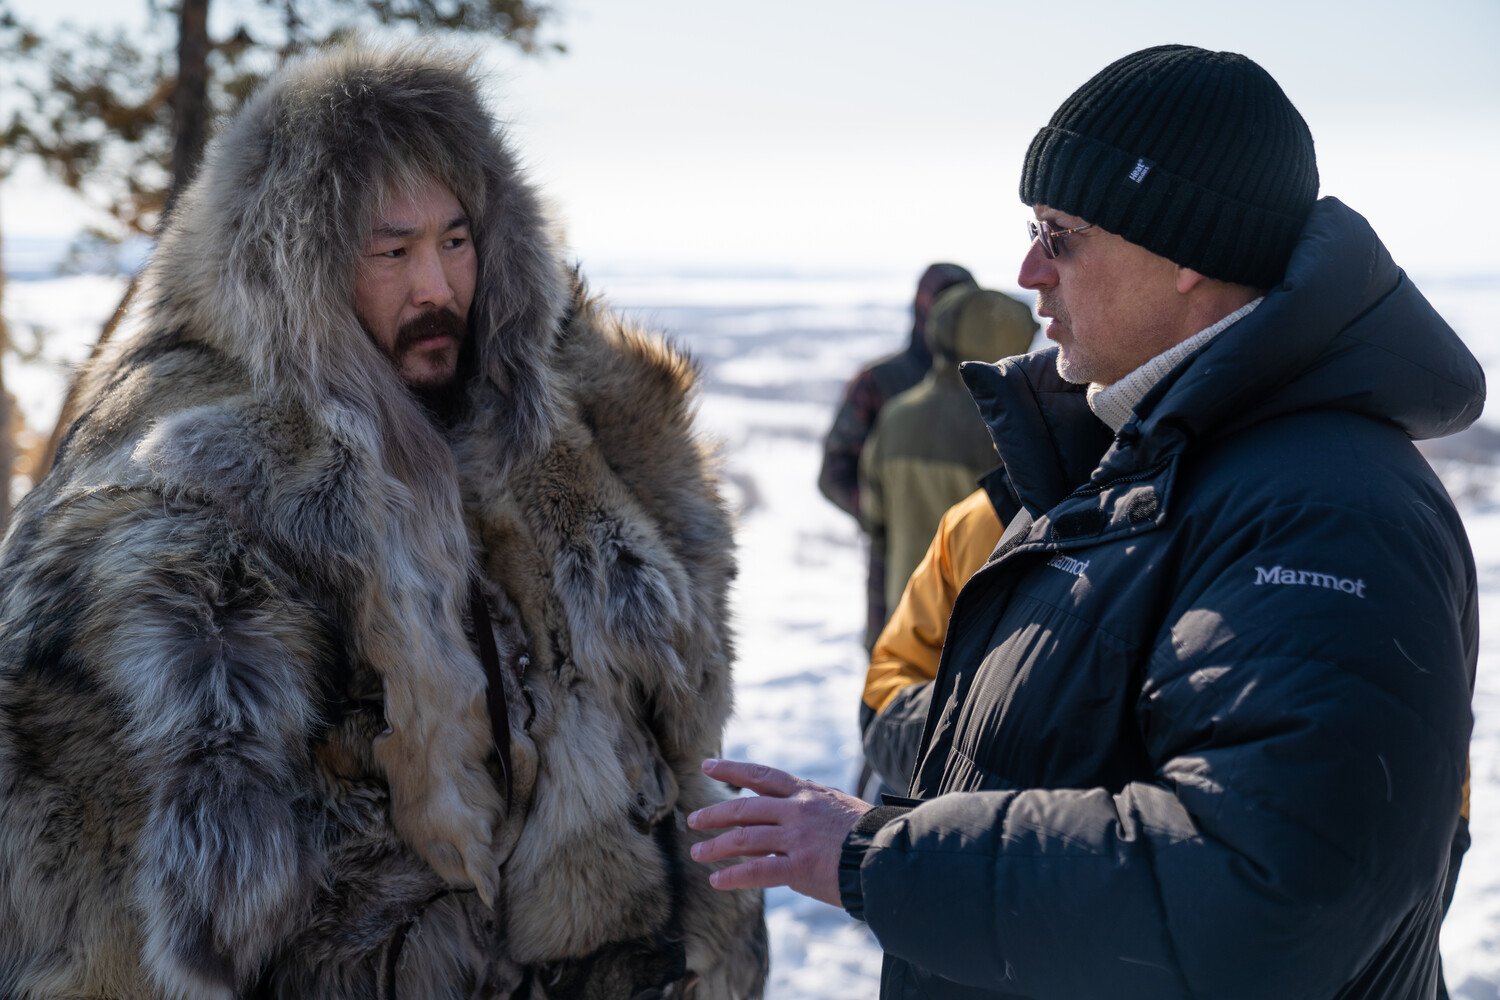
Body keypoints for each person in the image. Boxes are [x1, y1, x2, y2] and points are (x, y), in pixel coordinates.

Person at [690, 43, 1483, 999]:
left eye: (1059, 236)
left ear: (1188, 253)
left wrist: (877, 856)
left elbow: (1261, 894)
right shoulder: (1139, 464)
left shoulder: (1328, 513)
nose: (1030, 271)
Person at [0, 45, 765, 999]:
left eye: (456, 241)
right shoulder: (181, 490)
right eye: (392, 252)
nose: (436, 287)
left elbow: (679, 749)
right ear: (299, 269)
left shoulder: (579, 425)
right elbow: (104, 913)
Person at [819, 262, 975, 648]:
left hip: (976, 567)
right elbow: (834, 471)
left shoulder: (990, 380)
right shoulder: (879, 382)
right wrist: (883, 513)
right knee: (895, 669)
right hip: (895, 569)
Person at [859, 285, 1035, 627]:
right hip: (987, 626)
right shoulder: (1012, 425)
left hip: (909, 619)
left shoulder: (896, 416)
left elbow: (873, 517)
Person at [859, 482, 1003, 796]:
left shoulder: (977, 514)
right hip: (918, 621)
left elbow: (859, 498)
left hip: (908, 601)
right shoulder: (985, 513)